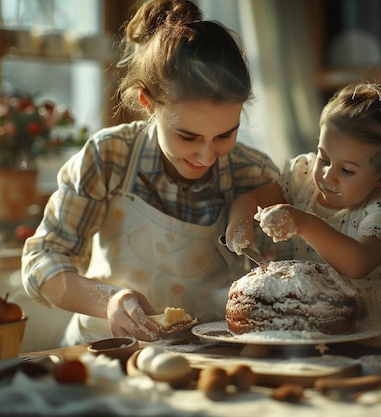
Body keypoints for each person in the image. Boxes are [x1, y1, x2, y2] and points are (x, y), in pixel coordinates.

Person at [21, 0, 283, 346]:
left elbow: (278, 285)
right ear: (147, 103)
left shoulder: (255, 174)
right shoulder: (108, 157)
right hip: (102, 355)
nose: (207, 156)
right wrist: (109, 300)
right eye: (187, 136)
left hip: (205, 361)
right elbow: (42, 261)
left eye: (225, 135)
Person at [225, 82, 381, 352]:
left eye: (348, 170)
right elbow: (250, 199)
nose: (328, 176)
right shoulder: (303, 178)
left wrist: (304, 222)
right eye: (324, 158)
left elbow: (358, 263)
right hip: (317, 316)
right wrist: (241, 223)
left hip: (373, 328)